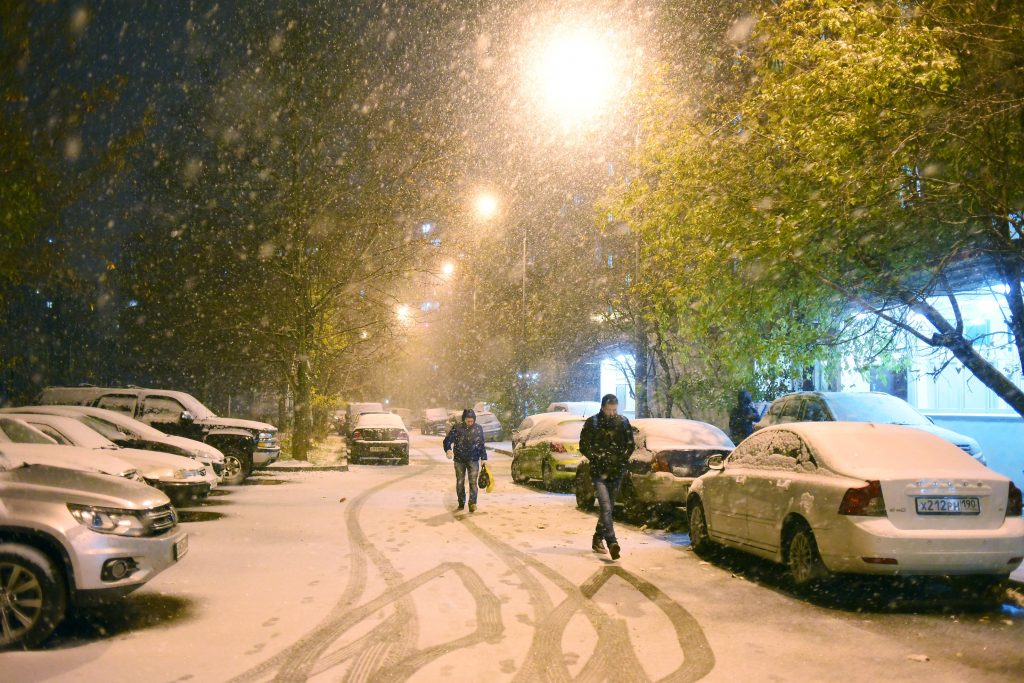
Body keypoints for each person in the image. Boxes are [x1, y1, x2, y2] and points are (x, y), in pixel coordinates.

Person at [579, 394, 635, 560]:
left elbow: (630, 445)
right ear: (602, 407)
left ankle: (597, 538)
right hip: (599, 472)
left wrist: (621, 459)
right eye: (609, 409)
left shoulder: (623, 422)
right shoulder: (593, 423)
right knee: (605, 506)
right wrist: (597, 457)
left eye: (615, 410)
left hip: (616, 472)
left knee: (608, 507)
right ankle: (612, 541)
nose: (612, 413)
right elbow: (583, 446)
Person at [443, 408, 487, 512]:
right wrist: (448, 450)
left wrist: (483, 458)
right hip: (459, 459)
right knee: (460, 481)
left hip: (473, 458)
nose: (470, 423)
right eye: (468, 421)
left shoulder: (478, 428)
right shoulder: (457, 428)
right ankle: (461, 502)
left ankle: (472, 503)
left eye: (472, 421)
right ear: (464, 419)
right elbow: (447, 440)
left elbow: (481, 444)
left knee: (473, 482)